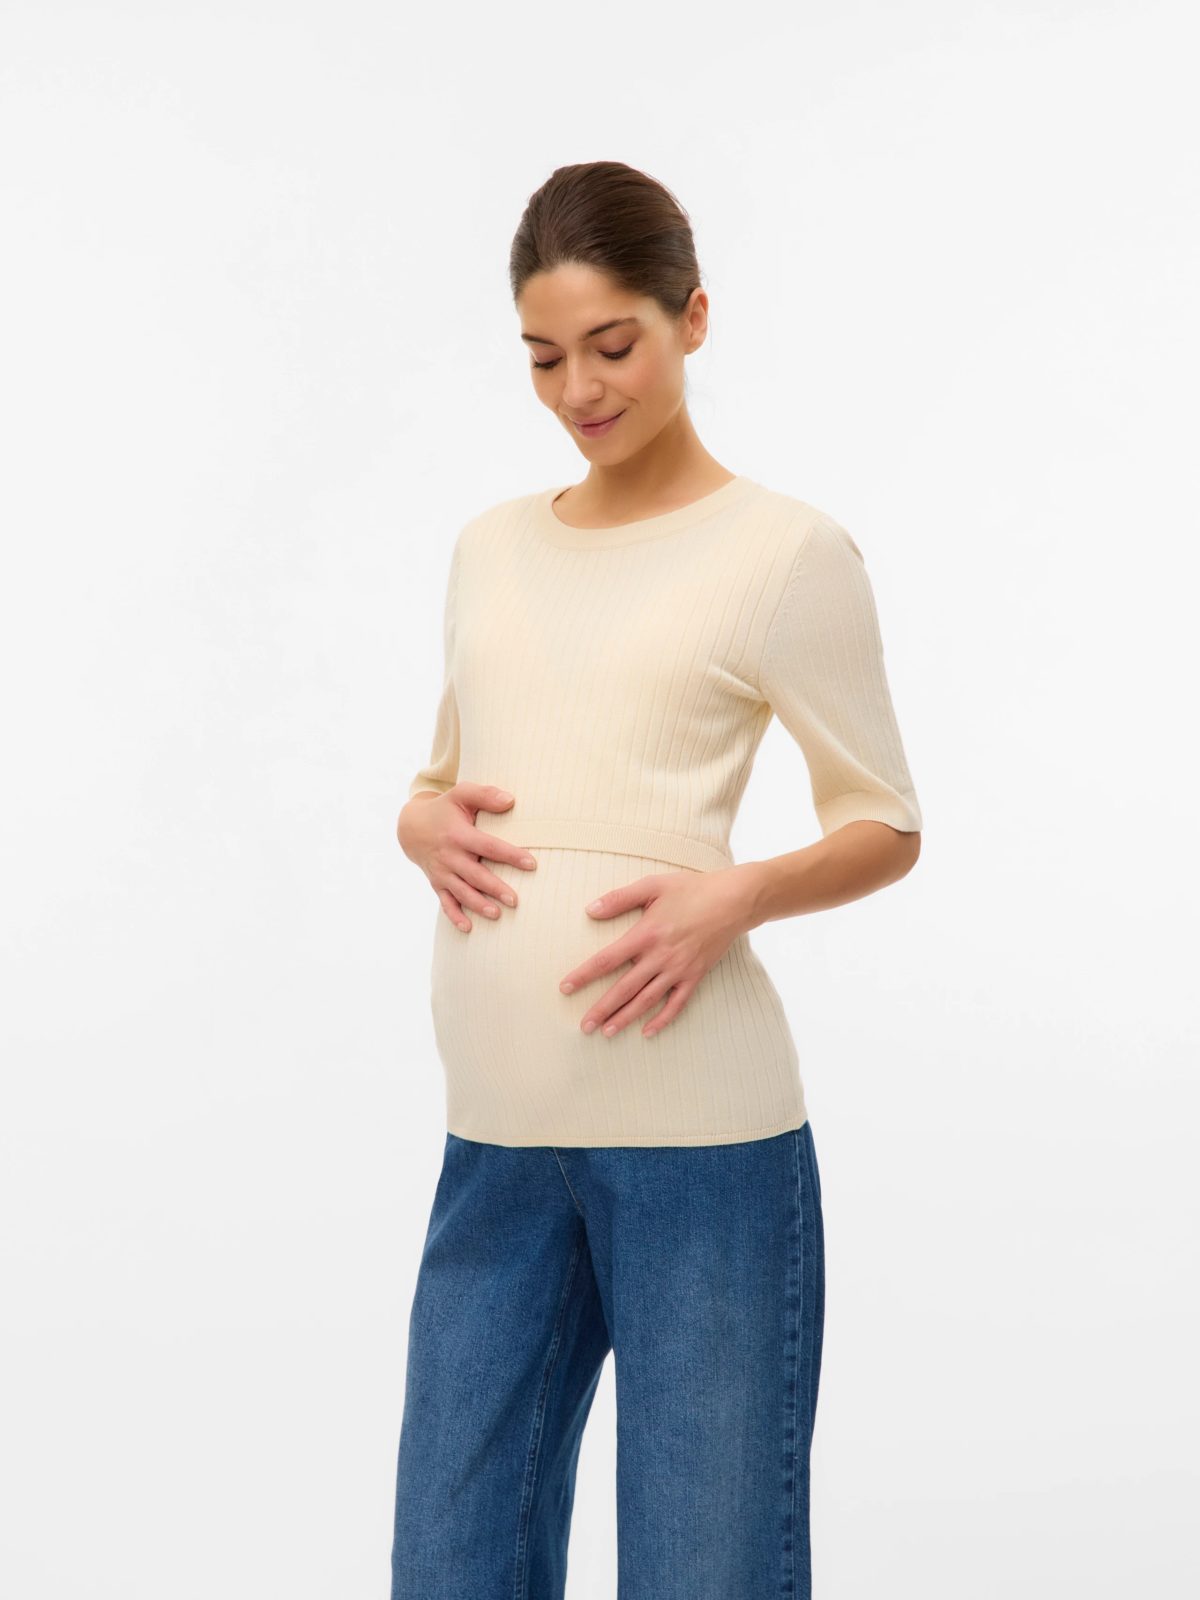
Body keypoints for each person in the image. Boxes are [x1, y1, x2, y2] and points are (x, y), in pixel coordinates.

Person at [388, 160, 923, 1600]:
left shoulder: (785, 553)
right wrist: (415, 825)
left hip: (703, 1148)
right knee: (448, 1563)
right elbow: (442, 782)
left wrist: (732, 897)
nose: (578, 389)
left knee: (707, 1571)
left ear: (691, 318)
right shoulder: (490, 548)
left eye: (611, 345)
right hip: (497, 1137)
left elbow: (886, 822)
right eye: (542, 356)